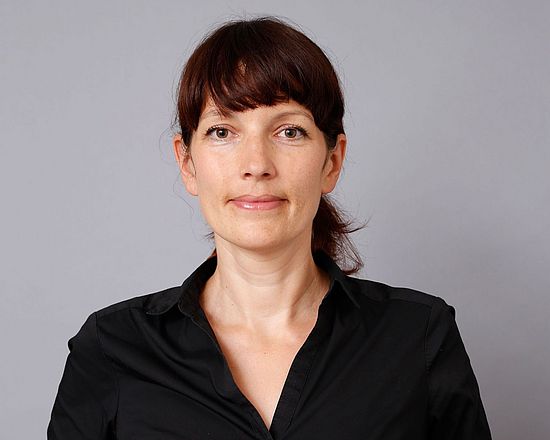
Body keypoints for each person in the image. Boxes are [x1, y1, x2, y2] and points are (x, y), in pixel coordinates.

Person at [47, 17, 492, 440]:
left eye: (289, 132)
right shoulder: (112, 348)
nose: (256, 165)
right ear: (187, 163)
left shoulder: (418, 337)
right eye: (223, 132)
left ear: (332, 161)